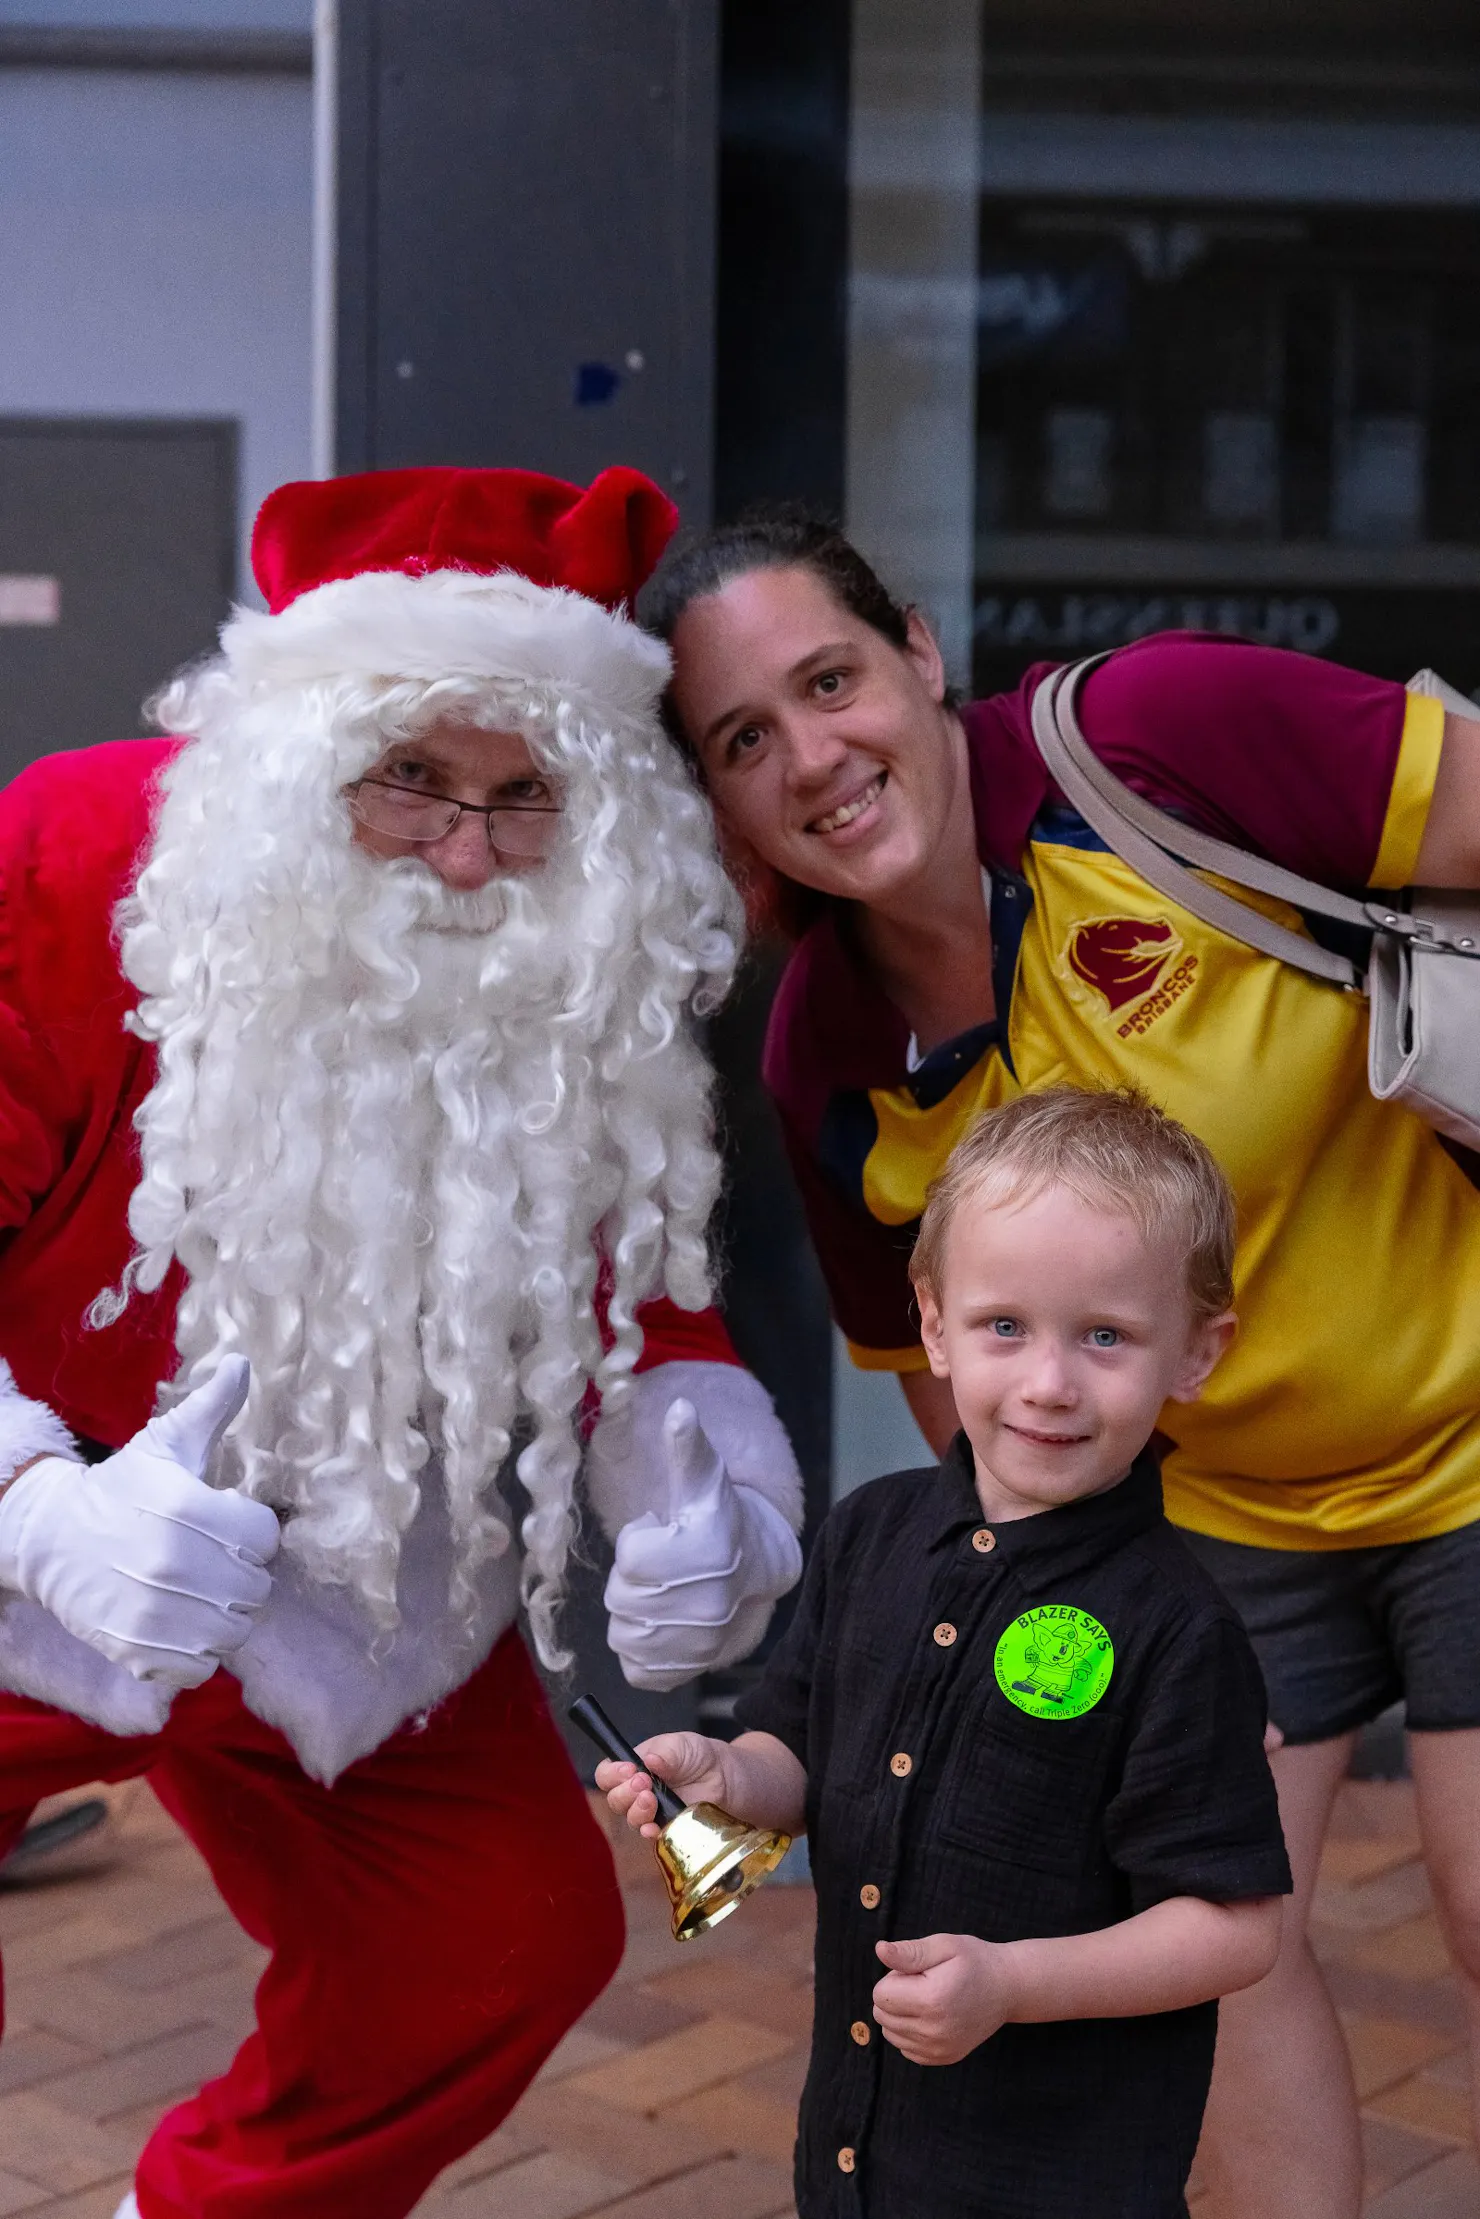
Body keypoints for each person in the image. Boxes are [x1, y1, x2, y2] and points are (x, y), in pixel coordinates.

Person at [642, 512, 1480, 2219]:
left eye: (831, 680)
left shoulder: (1154, 740)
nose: (812, 755)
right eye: (744, 737)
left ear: (919, 651)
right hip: (1217, 1526)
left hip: (1473, 1417)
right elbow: (957, 1396)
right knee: (1208, 1942)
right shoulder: (826, 1056)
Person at [0, 463, 808, 2219]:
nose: (467, 850)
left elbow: (620, 1260)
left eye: (525, 797)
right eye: (413, 779)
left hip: (343, 1557)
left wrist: (693, 1463)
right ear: (303, 759)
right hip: (36, 1522)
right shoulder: (72, 855)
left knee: (496, 1931)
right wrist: (40, 1511)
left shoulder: (560, 937)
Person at [599, 1087, 1291, 2219]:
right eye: (1003, 1325)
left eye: (1105, 1335)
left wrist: (1013, 1981)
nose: (1049, 1382)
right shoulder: (870, 1534)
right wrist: (730, 1775)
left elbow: (1235, 1926)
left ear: (1195, 1352)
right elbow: (798, 1754)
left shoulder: (1176, 1629)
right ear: (932, 1324)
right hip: (863, 2161)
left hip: (1057, 2184)